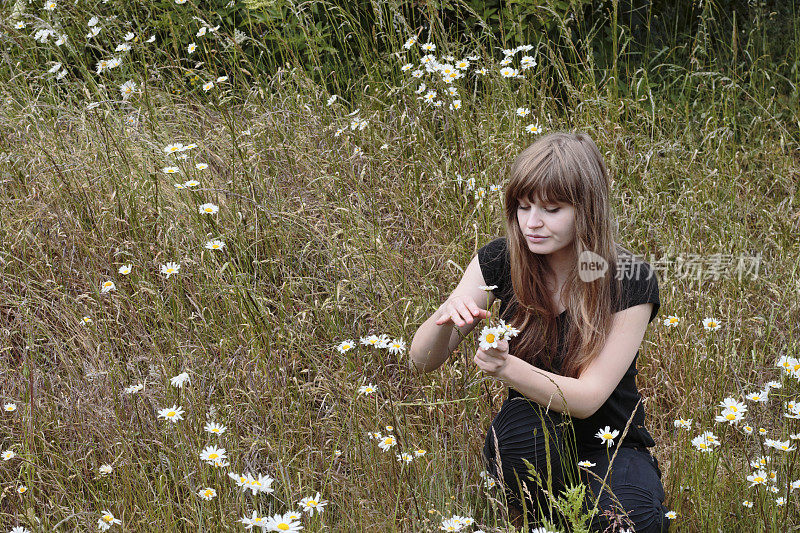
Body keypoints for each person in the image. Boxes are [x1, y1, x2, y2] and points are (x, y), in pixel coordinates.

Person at [409, 132, 670, 532]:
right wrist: (444, 318)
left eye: (551, 208)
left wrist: (504, 367)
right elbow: (421, 361)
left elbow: (587, 399)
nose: (532, 223)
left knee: (633, 523)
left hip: (611, 442)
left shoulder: (629, 278)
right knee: (521, 435)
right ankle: (542, 518)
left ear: (587, 210)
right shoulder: (500, 259)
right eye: (523, 206)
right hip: (532, 431)